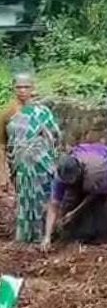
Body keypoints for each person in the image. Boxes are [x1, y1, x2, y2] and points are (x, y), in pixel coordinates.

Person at [4, 73, 61, 243]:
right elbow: (7, 142)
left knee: (43, 197)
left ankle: (46, 234)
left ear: (32, 88)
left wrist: (44, 143)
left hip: (41, 164)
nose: (22, 91)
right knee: (24, 198)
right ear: (14, 89)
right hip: (20, 163)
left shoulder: (42, 112)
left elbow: (55, 136)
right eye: (19, 87)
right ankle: (25, 235)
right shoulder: (9, 113)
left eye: (26, 87)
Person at [42, 143, 107, 252]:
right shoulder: (60, 176)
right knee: (69, 203)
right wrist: (47, 237)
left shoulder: (96, 170)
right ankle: (67, 235)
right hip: (86, 165)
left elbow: (94, 195)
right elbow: (54, 205)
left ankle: (101, 236)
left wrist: (75, 212)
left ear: (80, 169)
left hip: (103, 174)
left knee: (99, 210)